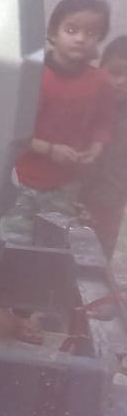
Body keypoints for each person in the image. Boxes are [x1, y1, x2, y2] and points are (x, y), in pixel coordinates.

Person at [0, 0, 115, 246]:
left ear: (99, 40)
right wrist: (50, 150)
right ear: (53, 33)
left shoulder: (101, 82)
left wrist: (97, 146)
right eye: (71, 29)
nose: (81, 38)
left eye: (91, 33)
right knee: (13, 244)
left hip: (65, 184)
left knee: (54, 246)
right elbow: (12, 127)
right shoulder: (33, 77)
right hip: (21, 179)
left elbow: (104, 122)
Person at [80, 35, 127, 254]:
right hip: (70, 199)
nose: (121, 82)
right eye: (116, 72)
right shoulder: (84, 103)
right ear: (101, 67)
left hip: (109, 209)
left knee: (96, 264)